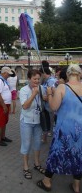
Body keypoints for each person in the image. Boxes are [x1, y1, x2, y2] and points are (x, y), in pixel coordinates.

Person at [37, 64, 82, 193]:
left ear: (68, 74)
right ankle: (76, 187)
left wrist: (50, 93)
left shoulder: (62, 87)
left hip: (65, 129)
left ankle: (47, 181)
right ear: (79, 74)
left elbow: (53, 107)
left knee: (56, 153)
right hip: (80, 129)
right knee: (78, 155)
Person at [19, 69, 45, 180]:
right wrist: (34, 94)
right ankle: (25, 167)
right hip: (26, 121)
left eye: (38, 79)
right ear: (29, 79)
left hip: (38, 121)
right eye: (34, 79)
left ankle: (37, 164)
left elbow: (44, 101)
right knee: (26, 144)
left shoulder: (41, 88)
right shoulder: (23, 90)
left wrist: (47, 95)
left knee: (38, 143)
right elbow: (25, 106)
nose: (37, 81)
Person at [0, 66, 13, 146]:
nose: (9, 76)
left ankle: (3, 137)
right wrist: (4, 106)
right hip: (0, 104)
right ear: (4, 73)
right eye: (8, 74)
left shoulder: (3, 80)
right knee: (0, 122)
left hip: (4, 104)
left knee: (4, 121)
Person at [40, 67, 57, 143]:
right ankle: (47, 134)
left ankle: (51, 134)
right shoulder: (46, 81)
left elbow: (54, 93)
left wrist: (47, 97)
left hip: (50, 105)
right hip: (46, 105)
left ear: (44, 73)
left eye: (41, 74)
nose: (41, 76)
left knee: (51, 120)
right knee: (48, 120)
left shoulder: (51, 81)